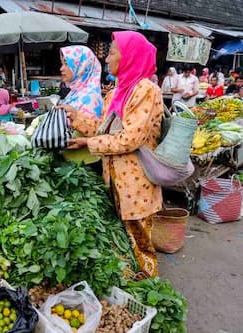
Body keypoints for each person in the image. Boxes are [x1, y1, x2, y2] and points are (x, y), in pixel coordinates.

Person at [66, 31, 163, 278]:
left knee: (141, 244)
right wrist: (75, 116)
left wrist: (89, 143)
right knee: (124, 244)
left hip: (137, 183)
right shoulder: (117, 92)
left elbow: (131, 138)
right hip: (116, 182)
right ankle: (133, 287)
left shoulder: (145, 90)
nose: (106, 59)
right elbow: (102, 127)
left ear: (129, 56)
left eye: (111, 53)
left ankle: (150, 289)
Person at [58, 45, 103, 118]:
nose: (61, 69)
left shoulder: (91, 97)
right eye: (62, 64)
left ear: (81, 67)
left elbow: (88, 128)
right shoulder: (75, 92)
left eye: (66, 64)